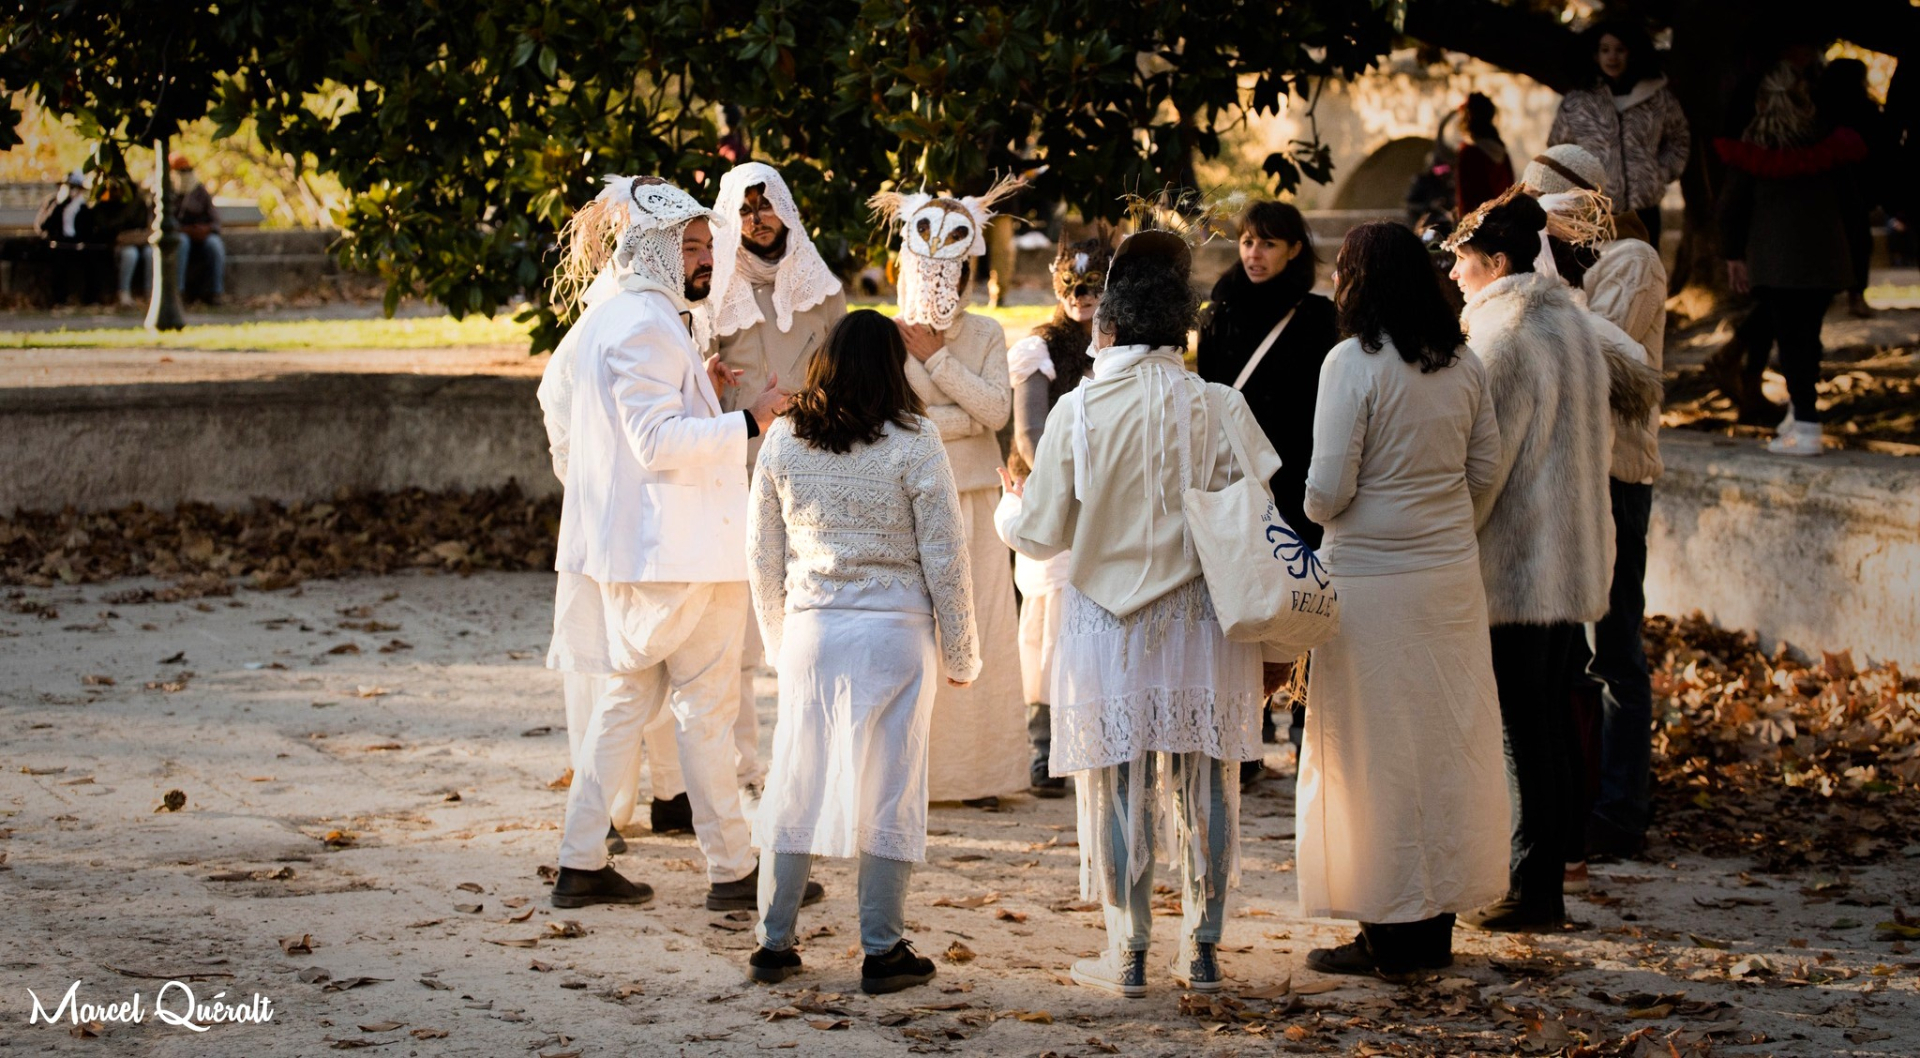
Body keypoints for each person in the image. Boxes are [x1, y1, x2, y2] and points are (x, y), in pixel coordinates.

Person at [999, 228, 1277, 998]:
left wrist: (1004, 512)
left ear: (1108, 325)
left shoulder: (1081, 410)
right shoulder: (1218, 404)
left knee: (1119, 784)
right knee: (1207, 781)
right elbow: (1262, 505)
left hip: (1109, 619)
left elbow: (1040, 531)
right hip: (1201, 615)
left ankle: (1128, 951)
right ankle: (1205, 949)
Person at [544, 175, 818, 915]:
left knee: (626, 702)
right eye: (692, 248)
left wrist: (704, 386)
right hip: (681, 557)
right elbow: (655, 443)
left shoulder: (629, 319)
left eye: (705, 246)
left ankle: (580, 859)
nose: (706, 260)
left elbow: (641, 422)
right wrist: (752, 420)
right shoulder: (641, 324)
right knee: (706, 709)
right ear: (654, 250)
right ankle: (732, 871)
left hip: (652, 555)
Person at [1295, 221, 1510, 980]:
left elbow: (1325, 495)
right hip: (1449, 579)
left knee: (1372, 755)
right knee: (1448, 747)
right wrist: (1445, 526)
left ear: (1357, 283)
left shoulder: (1350, 364)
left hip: (1370, 587)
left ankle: (1385, 930)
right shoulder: (1462, 363)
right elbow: (1486, 468)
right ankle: (1437, 925)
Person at [745, 310, 980, 995]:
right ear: (893, 366)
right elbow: (946, 553)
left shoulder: (784, 438)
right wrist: (962, 654)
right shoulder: (916, 440)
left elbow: (762, 554)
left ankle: (772, 942)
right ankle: (882, 949)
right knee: (893, 787)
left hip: (813, 634)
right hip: (896, 635)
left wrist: (779, 642)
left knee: (796, 781)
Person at [1444, 190, 1614, 933]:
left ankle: (1532, 885)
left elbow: (1487, 466)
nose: (1452, 274)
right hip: (1569, 553)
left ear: (1497, 264)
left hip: (1518, 561)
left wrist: (1452, 540)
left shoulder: (1503, 337)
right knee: (1549, 717)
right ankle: (1547, 877)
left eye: (1461, 260)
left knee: (1524, 727)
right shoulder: (1572, 324)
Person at [1521, 144, 1668, 863]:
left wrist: (1544, 294)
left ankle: (1621, 808)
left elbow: (1603, 364)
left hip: (1618, 475)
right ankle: (1575, 795)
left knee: (1616, 649)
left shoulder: (1632, 261)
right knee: (1560, 651)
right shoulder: (1552, 267)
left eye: (1550, 208)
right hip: (1562, 472)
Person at [868, 181, 1028, 808]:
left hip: (976, 497)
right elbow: (888, 416)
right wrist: (957, 418)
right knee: (914, 631)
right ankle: (913, 773)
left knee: (981, 626)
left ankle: (980, 774)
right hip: (907, 501)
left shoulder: (986, 332)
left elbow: (996, 409)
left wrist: (937, 364)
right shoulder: (885, 333)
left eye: (952, 269)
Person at [537, 264, 696, 847]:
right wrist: (584, 477)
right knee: (622, 671)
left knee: (661, 660)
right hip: (618, 523)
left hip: (660, 518)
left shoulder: (674, 313)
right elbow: (558, 395)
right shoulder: (617, 316)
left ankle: (673, 795)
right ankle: (599, 816)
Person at [707, 161, 849, 792]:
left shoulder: (821, 288)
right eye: (744, 209)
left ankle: (811, 767)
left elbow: (848, 375)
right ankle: (739, 769)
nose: (757, 220)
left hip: (813, 472)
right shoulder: (710, 289)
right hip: (732, 472)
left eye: (766, 206)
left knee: (811, 619)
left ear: (786, 209)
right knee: (734, 630)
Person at [1195, 200, 1340, 778]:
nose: (1254, 254)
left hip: (1299, 478)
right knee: (1241, 605)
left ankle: (1307, 741)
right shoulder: (1218, 310)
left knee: (1301, 605)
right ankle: (1244, 742)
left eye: (1268, 244)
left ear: (1294, 250)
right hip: (1237, 483)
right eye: (1248, 241)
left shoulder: (1318, 318)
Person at [1001, 235, 1106, 799]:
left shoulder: (1124, 347)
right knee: (1046, 623)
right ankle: (1044, 746)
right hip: (1053, 503)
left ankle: (1092, 736)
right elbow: (1029, 434)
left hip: (1110, 507)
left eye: (1093, 285)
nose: (1082, 297)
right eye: (1072, 285)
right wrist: (1070, 489)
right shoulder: (1040, 348)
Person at [1718, 62, 1864, 457]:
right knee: (1807, 338)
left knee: (1792, 341)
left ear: (1762, 102)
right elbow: (1853, 206)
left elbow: (1732, 206)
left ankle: (1807, 423)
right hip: (1826, 258)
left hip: (1776, 261)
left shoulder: (1753, 146)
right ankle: (1799, 413)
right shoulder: (1828, 141)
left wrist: (1733, 255)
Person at [1548, 20, 1691, 248]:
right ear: (1595, 56)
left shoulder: (1658, 98)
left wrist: (1659, 173)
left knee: (1643, 275)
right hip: (1593, 210)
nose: (1612, 57)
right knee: (1599, 277)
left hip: (1644, 209)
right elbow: (1558, 151)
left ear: (1632, 53)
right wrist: (1576, 192)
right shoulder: (1578, 102)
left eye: (1619, 50)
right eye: (1605, 50)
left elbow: (1679, 139)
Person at [1816, 58, 1887, 319]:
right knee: (1856, 241)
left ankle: (1850, 295)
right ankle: (1853, 295)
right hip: (1846, 187)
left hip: (1843, 187)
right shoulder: (1858, 110)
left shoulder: (1822, 110)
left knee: (1855, 240)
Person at [169, 153, 226, 305]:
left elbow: (215, 221)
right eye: (181, 172)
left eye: (187, 170)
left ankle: (215, 293)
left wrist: (205, 229)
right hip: (180, 234)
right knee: (182, 242)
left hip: (202, 235)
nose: (185, 175)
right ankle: (178, 292)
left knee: (215, 245)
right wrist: (184, 230)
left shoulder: (199, 191)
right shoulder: (167, 192)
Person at [91, 177, 154, 309]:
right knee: (130, 254)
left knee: (151, 253)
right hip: (117, 244)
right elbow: (104, 228)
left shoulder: (137, 203)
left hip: (139, 242)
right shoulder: (105, 203)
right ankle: (124, 293)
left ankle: (150, 292)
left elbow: (144, 226)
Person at [34, 171, 94, 304]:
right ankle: (58, 300)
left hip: (77, 245)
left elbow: (89, 231)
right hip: (57, 244)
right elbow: (42, 226)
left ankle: (89, 299)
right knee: (58, 260)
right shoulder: (53, 202)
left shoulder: (84, 206)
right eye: (69, 187)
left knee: (93, 258)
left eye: (75, 188)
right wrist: (59, 204)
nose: (72, 191)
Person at [1455, 93, 1514, 217]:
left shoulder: (1469, 152)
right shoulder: (1502, 150)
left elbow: (1466, 199)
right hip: (1505, 220)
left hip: (1480, 224)